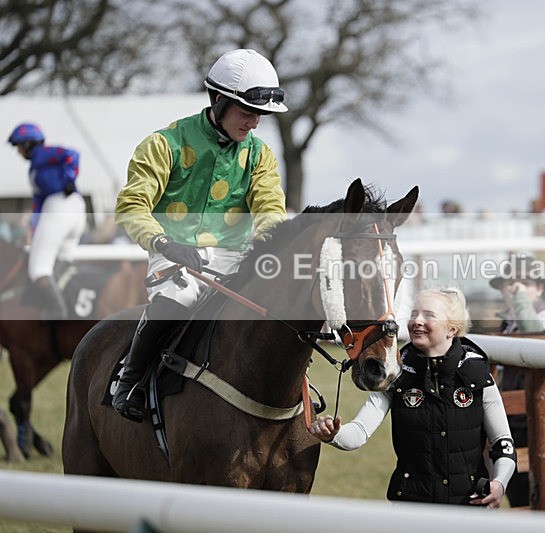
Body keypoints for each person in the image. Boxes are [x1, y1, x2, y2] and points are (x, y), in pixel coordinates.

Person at [113, 49, 288, 422]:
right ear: (219, 100)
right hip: (175, 253)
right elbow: (131, 206)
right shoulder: (164, 144)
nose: (254, 122)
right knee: (173, 303)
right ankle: (130, 379)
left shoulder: (260, 156)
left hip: (236, 257)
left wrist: (268, 250)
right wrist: (164, 243)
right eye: (247, 111)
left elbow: (271, 210)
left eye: (260, 114)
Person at [309, 287, 516, 508]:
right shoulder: (395, 375)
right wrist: (334, 434)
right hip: (410, 511)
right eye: (414, 314)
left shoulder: (477, 374)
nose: (417, 321)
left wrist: (499, 483)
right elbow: (359, 433)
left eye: (429, 315)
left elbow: (502, 443)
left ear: (452, 329)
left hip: (469, 509)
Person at [489, 255, 545, 507]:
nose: (516, 288)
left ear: (539, 289)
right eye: (510, 284)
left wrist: (520, 299)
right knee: (518, 496)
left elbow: (534, 335)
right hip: (513, 423)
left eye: (525, 283)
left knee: (540, 495)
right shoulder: (507, 325)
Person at [7, 123, 86, 320]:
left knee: (38, 269)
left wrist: (69, 178)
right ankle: (65, 306)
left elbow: (72, 154)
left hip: (59, 207)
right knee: (62, 260)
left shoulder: (42, 154)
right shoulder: (35, 167)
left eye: (19, 147)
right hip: (76, 209)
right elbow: (38, 204)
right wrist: (35, 229)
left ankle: (57, 312)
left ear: (28, 144)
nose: (18, 152)